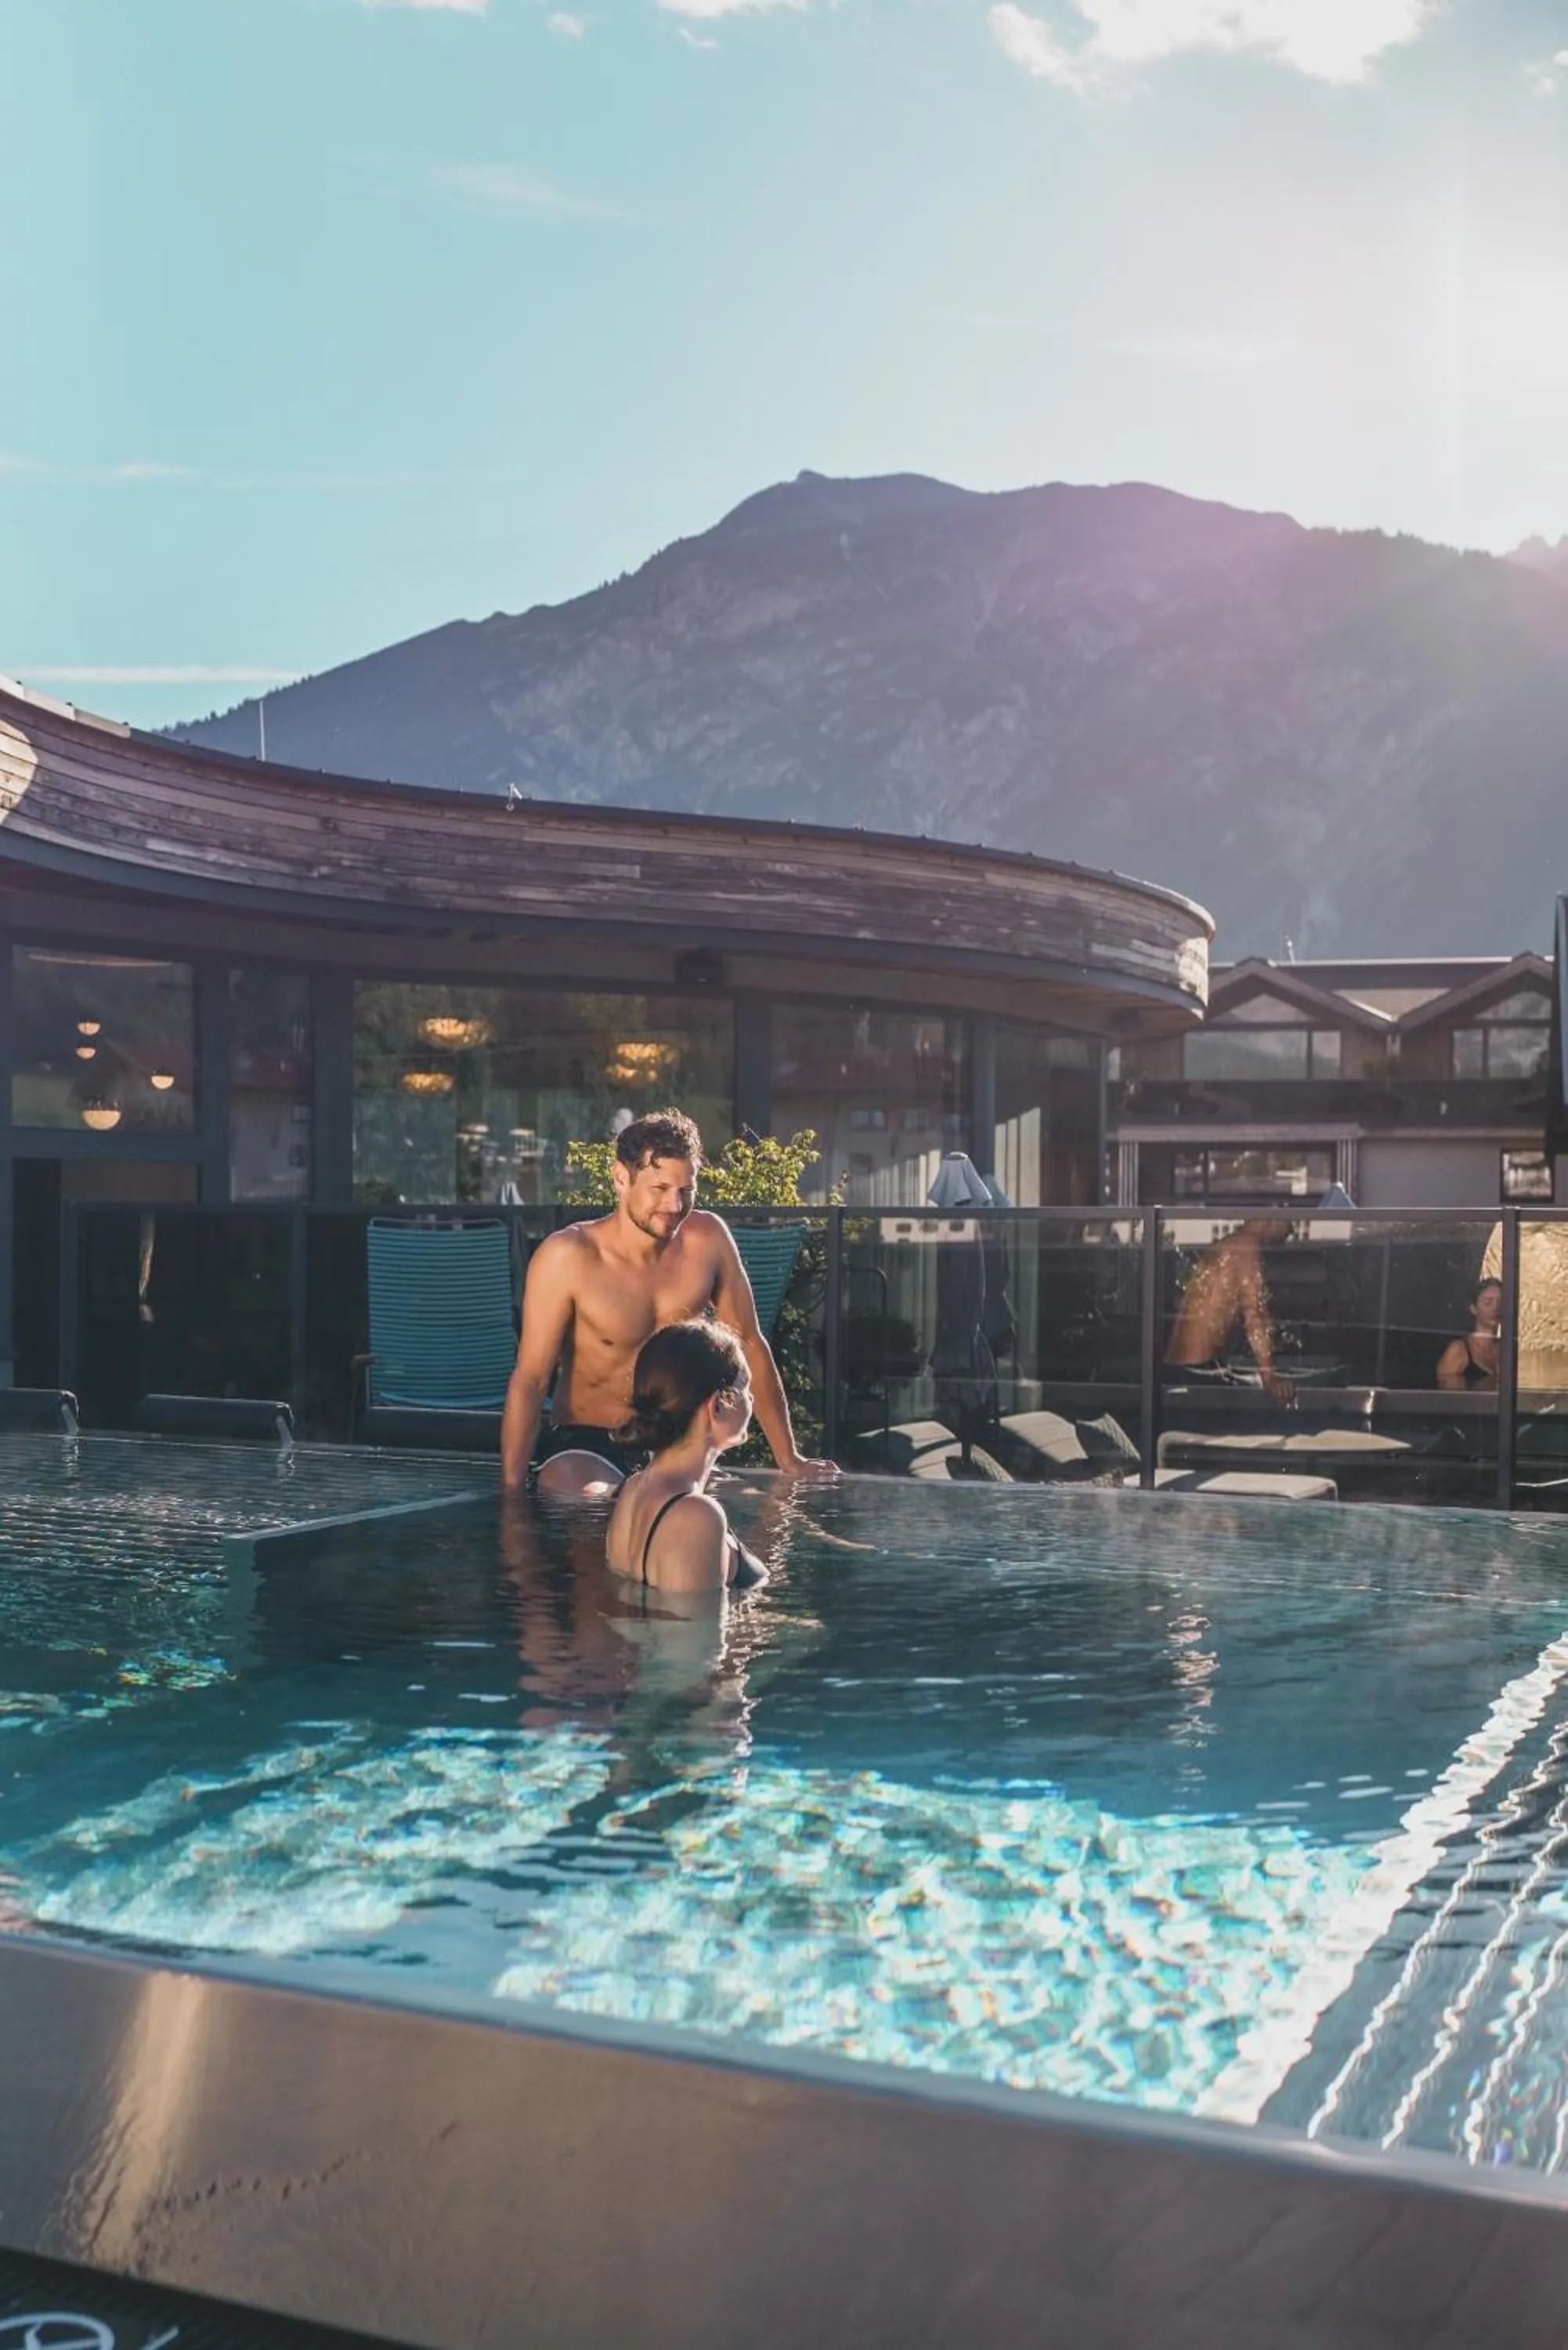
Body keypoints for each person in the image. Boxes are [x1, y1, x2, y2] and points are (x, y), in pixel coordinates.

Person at [500, 1108, 835, 1495]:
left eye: (686, 1191)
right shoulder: (569, 1255)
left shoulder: (707, 1240)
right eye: (660, 1189)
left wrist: (789, 1460)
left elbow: (749, 1343)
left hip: (678, 1446)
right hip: (589, 1445)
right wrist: (511, 1494)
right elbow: (531, 1380)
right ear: (620, 1179)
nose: (675, 1206)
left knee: (764, 1512)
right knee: (588, 1499)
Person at [605, 1319, 768, 1593]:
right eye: (745, 1389)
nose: (751, 1400)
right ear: (718, 1406)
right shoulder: (695, 1516)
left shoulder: (633, 1489)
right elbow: (691, 1622)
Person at [1165, 1216, 1297, 1404]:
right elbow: (1255, 1315)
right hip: (1197, 1368)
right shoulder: (1246, 1247)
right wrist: (1269, 1378)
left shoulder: (1232, 1244)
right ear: (1271, 1218)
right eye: (1288, 1222)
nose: (1290, 1231)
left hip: (1190, 1364)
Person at [1436, 1279, 1501, 1392]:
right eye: (1488, 1302)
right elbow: (1444, 1396)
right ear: (1474, 1309)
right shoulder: (1458, 1350)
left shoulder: (1504, 1349)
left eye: (1501, 1303)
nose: (1495, 1308)